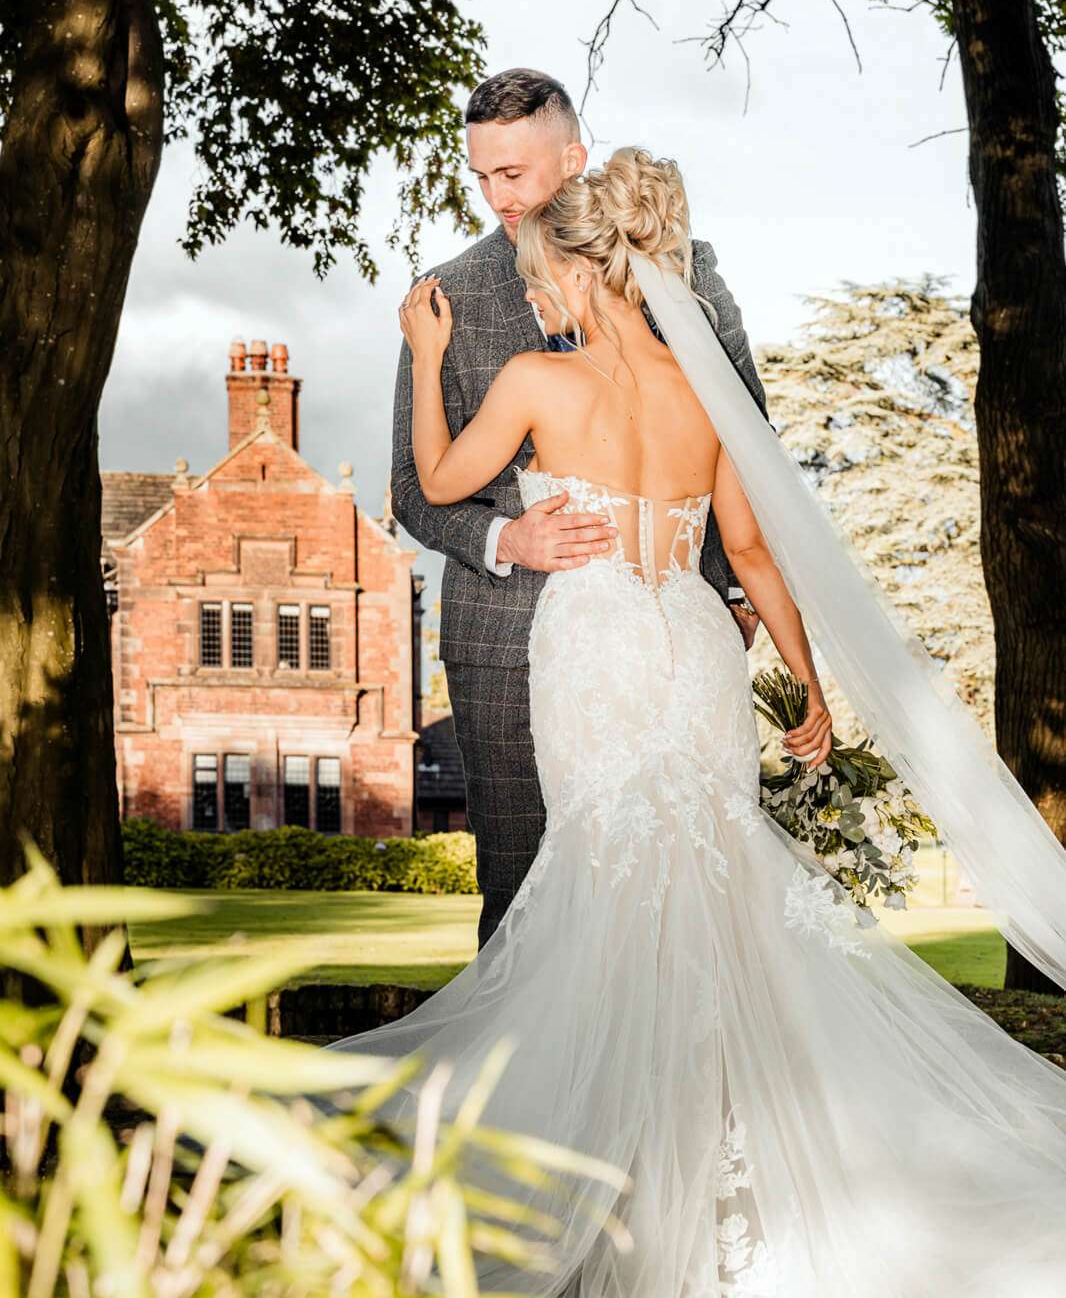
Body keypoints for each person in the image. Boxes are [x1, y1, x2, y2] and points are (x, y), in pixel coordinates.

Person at [329, 148, 1066, 1297]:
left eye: (538, 273)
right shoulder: (699, 385)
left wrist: (427, 357)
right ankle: (727, 1172)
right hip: (693, 643)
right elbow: (756, 551)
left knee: (611, 890)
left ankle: (622, 1179)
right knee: (715, 894)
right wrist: (811, 687)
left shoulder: (532, 379)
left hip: (596, 650)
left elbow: (433, 470)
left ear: (580, 272)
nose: (531, 294)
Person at [391, 68, 767, 948]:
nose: (496, 196)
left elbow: (742, 441)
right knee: (523, 899)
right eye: (480, 175)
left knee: (684, 891)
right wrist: (504, 535)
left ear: (574, 158)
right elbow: (415, 489)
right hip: (503, 647)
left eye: (513, 174)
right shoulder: (444, 295)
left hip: (668, 648)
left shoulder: (688, 275)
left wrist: (733, 594)